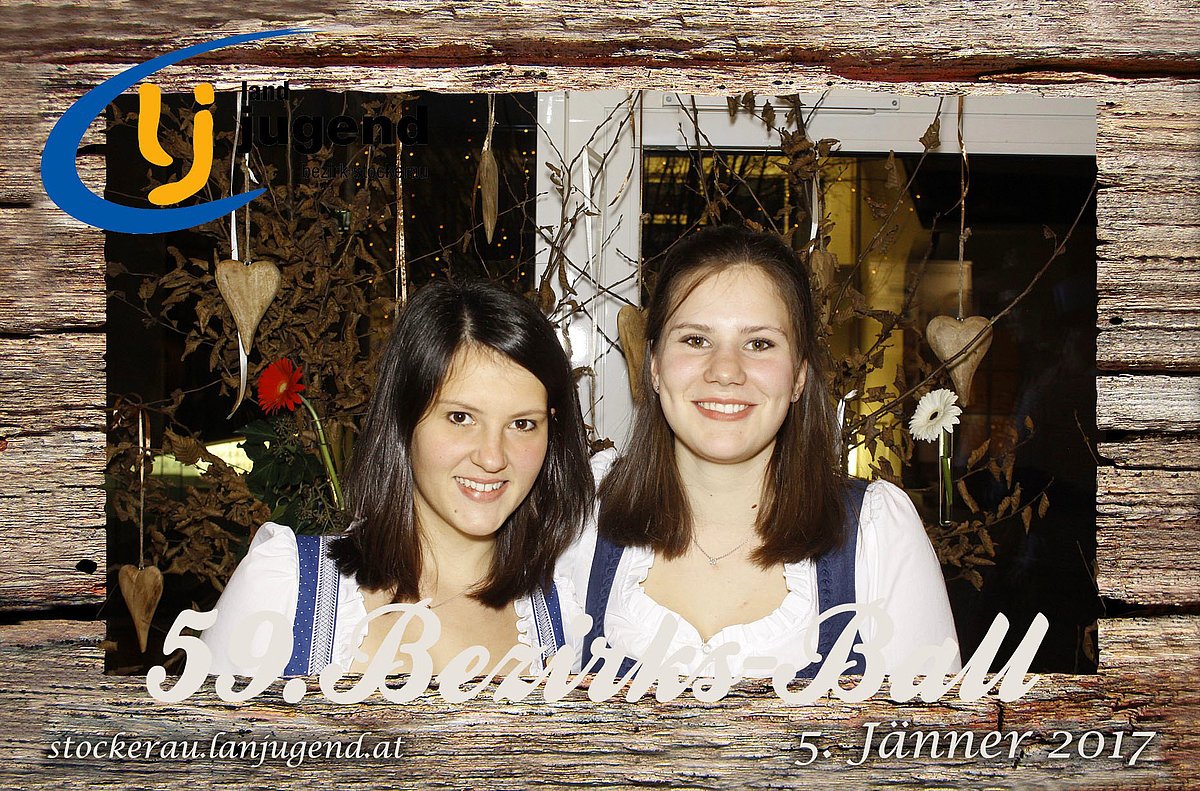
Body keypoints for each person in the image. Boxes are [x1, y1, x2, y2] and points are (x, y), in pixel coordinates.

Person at [564, 225, 960, 682]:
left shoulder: (876, 535)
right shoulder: (584, 517)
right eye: (696, 339)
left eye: (759, 343)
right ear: (654, 365)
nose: (725, 371)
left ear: (799, 376)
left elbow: (931, 728)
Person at [202, 279, 594, 677]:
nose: (492, 457)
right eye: (461, 417)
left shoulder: (560, 619)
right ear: (404, 420)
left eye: (523, 424)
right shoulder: (286, 591)